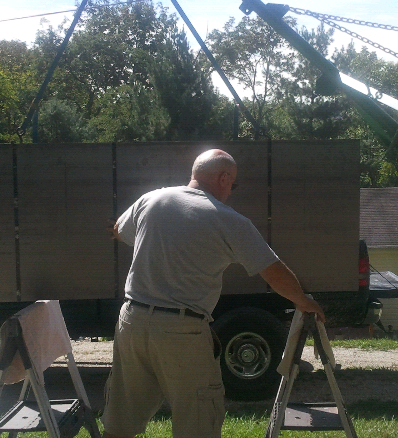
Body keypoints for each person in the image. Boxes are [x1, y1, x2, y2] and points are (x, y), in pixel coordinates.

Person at [101, 148, 324, 438]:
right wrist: (303, 301)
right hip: (181, 330)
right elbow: (273, 271)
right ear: (223, 178)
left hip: (132, 320)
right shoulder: (228, 220)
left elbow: (118, 229)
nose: (231, 191)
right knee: (198, 422)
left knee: (120, 420)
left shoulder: (153, 199)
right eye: (233, 184)